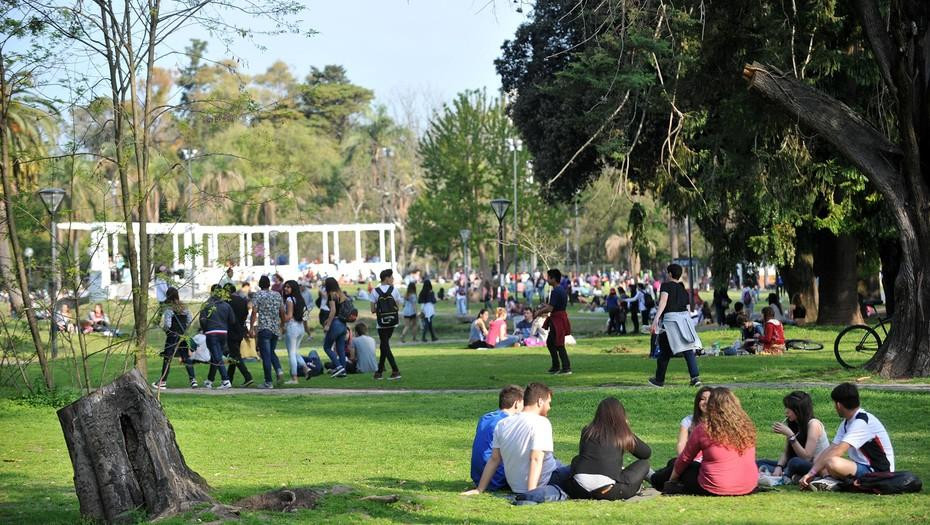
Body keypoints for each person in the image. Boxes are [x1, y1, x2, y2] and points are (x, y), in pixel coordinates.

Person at [462, 383, 572, 504]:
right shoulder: (541, 423)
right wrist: (531, 493)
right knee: (577, 470)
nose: (550, 407)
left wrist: (479, 489)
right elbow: (535, 459)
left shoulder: (503, 423)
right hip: (545, 479)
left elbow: (494, 459)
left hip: (515, 484)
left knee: (558, 462)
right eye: (549, 402)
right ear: (540, 401)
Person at [799, 383, 895, 492]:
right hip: (862, 467)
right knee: (820, 458)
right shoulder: (847, 421)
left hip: (878, 471)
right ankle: (829, 481)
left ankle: (833, 482)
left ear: (838, 405)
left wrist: (811, 473)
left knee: (832, 462)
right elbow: (832, 448)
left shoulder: (861, 422)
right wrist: (813, 471)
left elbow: (838, 451)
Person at [664, 387, 758, 496]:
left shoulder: (704, 428)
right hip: (749, 485)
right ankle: (651, 475)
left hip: (716, 486)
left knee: (676, 465)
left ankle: (651, 477)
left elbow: (685, 458)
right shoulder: (746, 426)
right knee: (676, 464)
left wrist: (672, 482)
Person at [566, 397, 652, 501]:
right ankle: (653, 482)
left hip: (579, 489)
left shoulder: (587, 430)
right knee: (644, 464)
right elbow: (646, 454)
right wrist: (627, 429)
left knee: (577, 459)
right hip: (607, 490)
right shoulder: (622, 433)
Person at [757, 391, 830, 484]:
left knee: (794, 462)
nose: (786, 411)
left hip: (815, 466)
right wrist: (779, 466)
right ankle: (786, 475)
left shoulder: (813, 424)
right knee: (760, 463)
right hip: (794, 464)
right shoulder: (795, 424)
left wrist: (791, 436)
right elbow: (786, 452)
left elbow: (807, 457)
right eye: (786, 407)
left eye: (789, 408)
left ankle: (785, 477)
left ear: (799, 410)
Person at [649, 264, 702, 387]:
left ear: (670, 274)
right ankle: (695, 378)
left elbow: (663, 302)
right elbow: (688, 309)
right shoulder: (683, 290)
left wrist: (656, 320)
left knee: (664, 352)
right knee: (688, 349)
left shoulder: (666, 286)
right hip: (684, 320)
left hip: (671, 322)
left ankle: (659, 380)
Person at [650, 387, 713, 491]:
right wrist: (683, 461)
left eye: (709, 399)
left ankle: (654, 478)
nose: (706, 402)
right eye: (702, 399)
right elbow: (681, 445)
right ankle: (658, 476)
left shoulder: (720, 423)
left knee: (673, 464)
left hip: (707, 464)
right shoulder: (688, 421)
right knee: (674, 462)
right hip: (690, 460)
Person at [469, 385, 525, 491]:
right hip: (496, 478)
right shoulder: (508, 422)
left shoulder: (485, 418)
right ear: (517, 403)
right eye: (523, 403)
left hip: (478, 477)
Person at [152, 287, 198, 389]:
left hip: (172, 336)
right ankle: (193, 380)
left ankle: (163, 381)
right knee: (186, 357)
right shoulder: (184, 307)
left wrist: (165, 330)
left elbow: (168, 325)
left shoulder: (169, 309)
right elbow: (189, 320)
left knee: (167, 358)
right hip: (183, 335)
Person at [250, 275, 285, 389]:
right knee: (271, 351)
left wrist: (251, 327)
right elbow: (282, 311)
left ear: (260, 285)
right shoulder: (277, 294)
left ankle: (268, 382)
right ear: (269, 284)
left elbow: (254, 312)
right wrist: (282, 325)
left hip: (264, 328)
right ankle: (279, 370)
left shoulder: (258, 295)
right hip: (275, 328)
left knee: (266, 356)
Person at [534, 269, 572, 375]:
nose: (547, 279)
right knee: (551, 342)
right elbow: (553, 306)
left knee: (558, 344)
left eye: (548, 277)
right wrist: (544, 306)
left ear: (553, 279)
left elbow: (551, 308)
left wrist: (539, 312)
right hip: (558, 317)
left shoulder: (556, 291)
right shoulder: (560, 289)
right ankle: (556, 366)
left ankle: (566, 368)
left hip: (558, 319)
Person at [199, 284, 234, 390]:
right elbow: (232, 320)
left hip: (211, 332)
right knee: (216, 356)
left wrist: (205, 329)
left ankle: (225, 380)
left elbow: (202, 320)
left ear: (212, 292)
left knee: (217, 356)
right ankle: (210, 380)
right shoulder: (226, 305)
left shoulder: (206, 305)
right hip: (223, 332)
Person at [371, 269, 402, 380]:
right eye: (392, 277)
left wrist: (381, 309)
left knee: (384, 345)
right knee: (384, 345)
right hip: (392, 322)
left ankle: (395, 370)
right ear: (386, 278)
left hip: (381, 323)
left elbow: (372, 310)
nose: (393, 279)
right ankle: (379, 371)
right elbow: (397, 307)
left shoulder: (375, 291)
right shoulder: (394, 290)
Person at [223, 283, 254, 387]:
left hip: (230, 330)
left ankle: (247, 376)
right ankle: (228, 379)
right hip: (240, 330)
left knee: (235, 356)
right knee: (234, 354)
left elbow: (226, 317)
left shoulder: (226, 302)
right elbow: (246, 315)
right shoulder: (242, 300)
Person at [322, 277, 351, 378]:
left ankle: (339, 367)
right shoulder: (341, 294)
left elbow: (333, 311)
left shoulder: (331, 295)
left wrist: (328, 324)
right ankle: (343, 371)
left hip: (335, 324)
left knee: (326, 347)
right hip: (343, 324)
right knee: (341, 349)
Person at [282, 279, 309, 383]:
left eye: (288, 287)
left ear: (293, 288)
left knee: (291, 354)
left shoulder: (289, 300)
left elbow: (288, 316)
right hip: (300, 327)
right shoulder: (301, 299)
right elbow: (306, 315)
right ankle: (306, 368)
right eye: (285, 286)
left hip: (292, 327)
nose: (285, 288)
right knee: (295, 352)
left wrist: (280, 318)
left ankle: (294, 378)